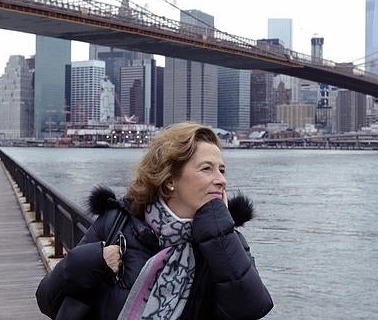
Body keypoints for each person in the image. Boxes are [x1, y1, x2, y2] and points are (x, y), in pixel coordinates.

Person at [36, 122, 273, 319]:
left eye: (222, 170)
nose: (221, 180)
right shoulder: (116, 223)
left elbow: (250, 308)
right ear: (170, 179)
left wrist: (218, 230)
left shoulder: (226, 239)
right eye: (207, 169)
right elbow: (47, 299)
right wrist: (93, 260)